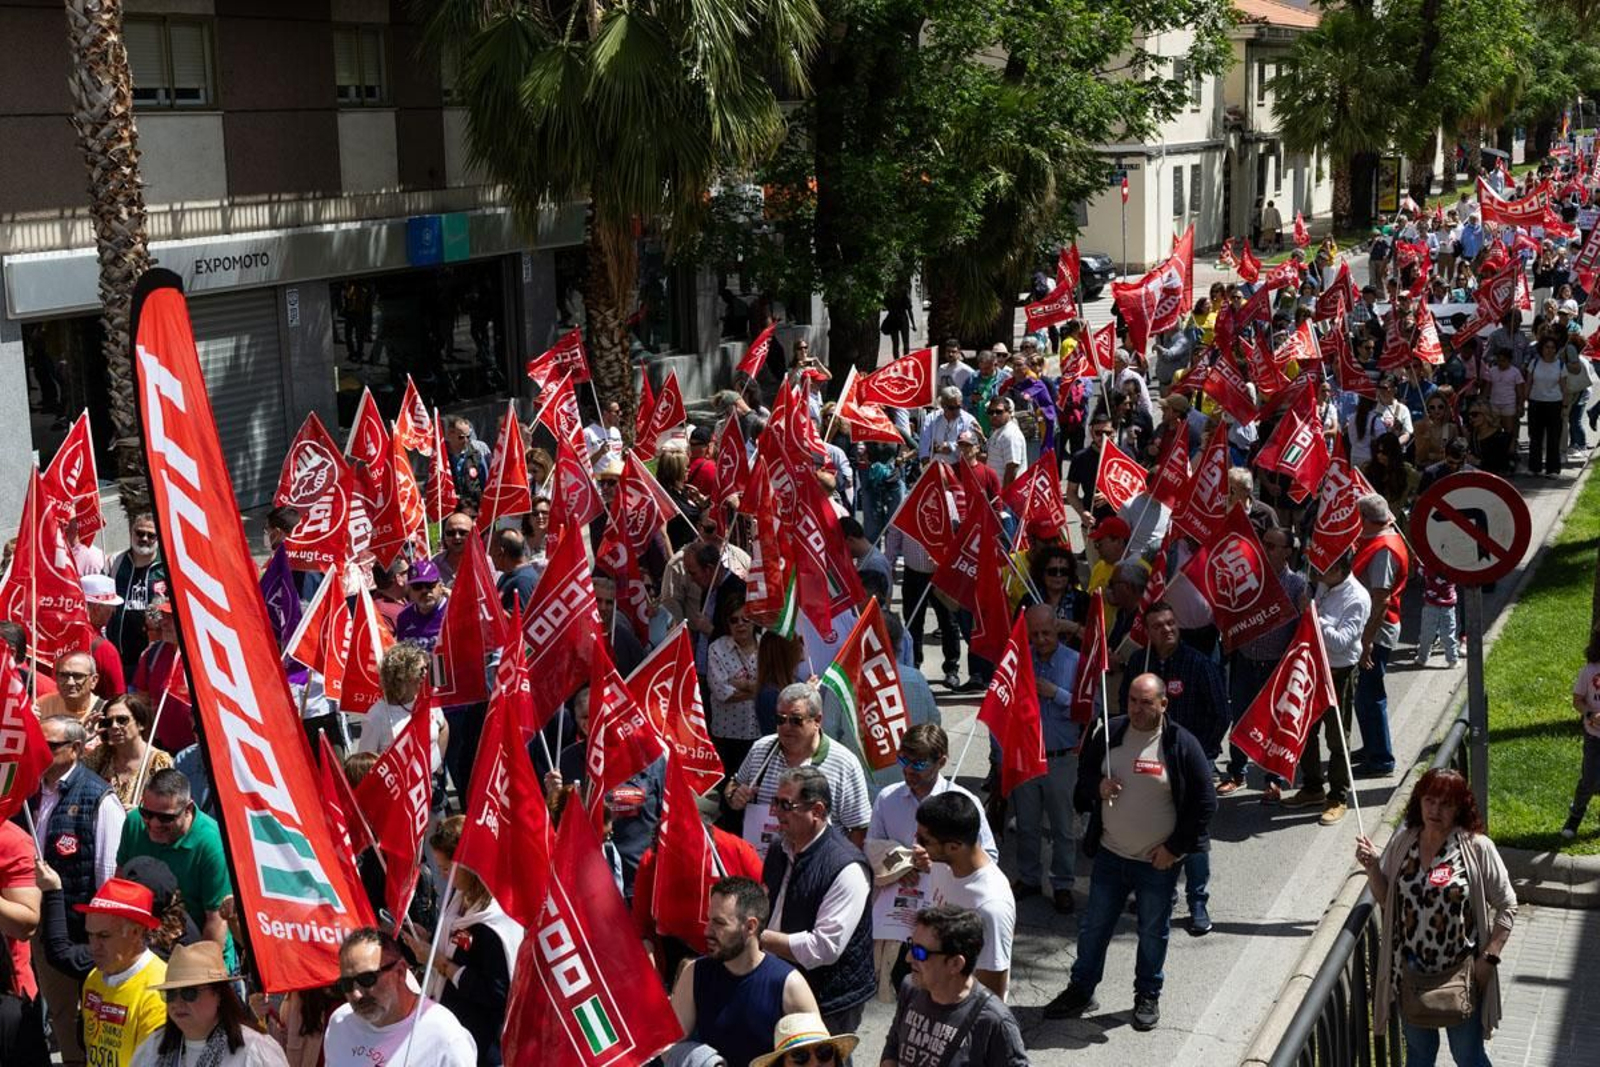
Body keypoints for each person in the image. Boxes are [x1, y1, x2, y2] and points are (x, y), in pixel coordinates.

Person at [1044, 673, 1217, 1031]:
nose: (1137, 710)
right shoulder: (1109, 734)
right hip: (1110, 855)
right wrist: (1098, 786)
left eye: (1146, 702)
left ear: (1163, 704)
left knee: (1153, 932)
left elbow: (1205, 803)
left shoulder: (1181, 743)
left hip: (1157, 864)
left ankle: (1147, 995)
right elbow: (1083, 783)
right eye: (1132, 701)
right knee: (1094, 928)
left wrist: (1174, 849)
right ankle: (1081, 989)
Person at [1356, 770, 1516, 1065]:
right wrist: (1373, 868)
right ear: (1418, 802)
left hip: (1460, 976)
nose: (1435, 810)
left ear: (1460, 808)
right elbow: (1386, 900)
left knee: (1467, 1056)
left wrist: (1489, 959)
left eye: (1446, 804)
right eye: (1429, 801)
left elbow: (1508, 905)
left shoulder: (1477, 847)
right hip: (1412, 975)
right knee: (1419, 1055)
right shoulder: (1405, 841)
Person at [30, 714, 125, 1065]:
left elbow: (108, 875)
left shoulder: (99, 798)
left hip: (86, 933)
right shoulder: (31, 790)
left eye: (50, 745)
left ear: (75, 749)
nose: (40, 751)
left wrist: (102, 934)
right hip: (45, 928)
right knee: (63, 1017)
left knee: (99, 1019)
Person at [758, 767, 876, 1042]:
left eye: (786, 805)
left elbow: (823, 949)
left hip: (829, 999)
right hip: (781, 981)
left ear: (819, 811)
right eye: (776, 802)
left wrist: (757, 938)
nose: (776, 812)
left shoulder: (847, 868)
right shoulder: (779, 848)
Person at [406, 817, 522, 1067]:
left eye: (447, 869)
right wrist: (430, 937)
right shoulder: (460, 897)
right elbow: (457, 943)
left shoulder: (494, 923)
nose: (443, 877)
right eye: (439, 868)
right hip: (453, 1028)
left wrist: (440, 963)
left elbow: (497, 994)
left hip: (482, 1044)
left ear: (471, 866)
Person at [669, 877, 820, 1067]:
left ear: (750, 926)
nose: (707, 930)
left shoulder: (790, 985)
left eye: (719, 923)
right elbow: (668, 1047)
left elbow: (821, 1058)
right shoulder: (694, 974)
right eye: (708, 920)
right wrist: (706, 1062)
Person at [727, 684, 872, 858]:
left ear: (817, 721)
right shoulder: (761, 749)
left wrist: (841, 868)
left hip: (817, 870)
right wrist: (734, 796)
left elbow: (859, 828)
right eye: (780, 719)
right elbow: (734, 784)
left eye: (796, 720)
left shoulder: (844, 763)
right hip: (762, 865)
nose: (786, 727)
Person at [880, 905, 1029, 1067]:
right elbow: (894, 1046)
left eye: (919, 953)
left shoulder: (994, 1021)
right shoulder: (911, 988)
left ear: (955, 964)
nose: (908, 958)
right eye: (910, 946)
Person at [118, 769, 235, 967]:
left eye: (165, 818)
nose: (154, 824)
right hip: (144, 955)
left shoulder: (212, 844)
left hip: (198, 956)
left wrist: (200, 976)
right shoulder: (134, 823)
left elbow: (216, 921)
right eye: (147, 813)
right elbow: (120, 887)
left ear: (188, 809)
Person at [1287, 553, 1371, 826]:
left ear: (1338, 569)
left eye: (1322, 569)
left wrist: (1313, 616)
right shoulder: (1325, 584)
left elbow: (1340, 643)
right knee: (1306, 732)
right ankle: (1312, 787)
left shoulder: (1357, 598)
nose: (1316, 574)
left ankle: (1337, 797)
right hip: (1313, 668)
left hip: (1339, 674)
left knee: (1337, 739)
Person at [1010, 604, 1081, 915]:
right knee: (1027, 824)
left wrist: (1056, 693)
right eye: (1034, 634)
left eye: (1046, 633)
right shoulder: (1019, 660)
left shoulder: (1075, 662)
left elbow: (1088, 708)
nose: (1040, 640)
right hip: (1026, 756)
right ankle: (1029, 877)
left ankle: (1063, 883)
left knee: (1063, 828)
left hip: (1061, 759)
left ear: (1058, 630)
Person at [323, 928, 476, 1067]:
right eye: (346, 984)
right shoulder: (340, 1022)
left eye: (367, 979)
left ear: (400, 972)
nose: (356, 994)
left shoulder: (445, 1039)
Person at [916, 794, 1014, 999]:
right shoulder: (943, 865)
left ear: (954, 846)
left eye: (924, 841)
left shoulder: (990, 906)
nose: (917, 845)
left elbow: (992, 991)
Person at [130, 941, 289, 1066]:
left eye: (189, 993)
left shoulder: (255, 1051)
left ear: (219, 994)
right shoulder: (153, 1046)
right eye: (170, 994)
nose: (177, 1003)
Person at [78, 876, 168, 1066]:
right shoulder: (94, 978)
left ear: (136, 932)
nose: (94, 946)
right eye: (90, 935)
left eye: (104, 936)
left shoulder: (159, 989)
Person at [1352, 494, 1409, 778]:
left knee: (1370, 695)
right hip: (1373, 631)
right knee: (1364, 696)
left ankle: (1381, 759)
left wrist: (1366, 642)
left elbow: (1381, 599)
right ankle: (1372, 747)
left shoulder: (1383, 550)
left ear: (1365, 519)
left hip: (1377, 632)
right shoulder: (1383, 539)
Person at [107, 512, 169, 680]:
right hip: (120, 656)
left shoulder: (167, 566)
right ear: (131, 532)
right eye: (139, 533)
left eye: (151, 535)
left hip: (154, 658)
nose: (144, 538)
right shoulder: (115, 562)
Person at [707, 593, 763, 778]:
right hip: (728, 733)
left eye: (746, 618)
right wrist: (757, 689)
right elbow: (722, 692)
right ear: (727, 623)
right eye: (734, 620)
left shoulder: (766, 645)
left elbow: (773, 686)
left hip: (761, 730)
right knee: (729, 789)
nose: (740, 624)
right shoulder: (716, 648)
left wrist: (741, 684)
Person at [86, 693, 174, 809]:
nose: (114, 726)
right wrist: (83, 739)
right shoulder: (101, 755)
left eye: (122, 720)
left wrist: (141, 812)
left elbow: (167, 805)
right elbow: (72, 778)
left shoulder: (159, 761)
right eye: (108, 722)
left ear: (141, 724)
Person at [1561, 624, 1600, 840]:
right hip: (1594, 736)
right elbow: (1578, 701)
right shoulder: (1589, 671)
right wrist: (1590, 715)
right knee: (1589, 779)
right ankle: (1575, 815)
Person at [81, 573, 130, 698]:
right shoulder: (105, 650)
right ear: (97, 608)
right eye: (111, 606)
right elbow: (118, 697)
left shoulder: (54, 637)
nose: (113, 611)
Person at [38, 649, 107, 731]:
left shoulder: (106, 712)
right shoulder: (42, 706)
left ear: (94, 680)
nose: (70, 683)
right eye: (64, 675)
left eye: (78, 676)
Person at [432, 512, 475, 585]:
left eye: (463, 533)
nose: (457, 537)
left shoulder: (484, 562)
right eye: (450, 533)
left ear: (473, 534)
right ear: (444, 536)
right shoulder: (434, 563)